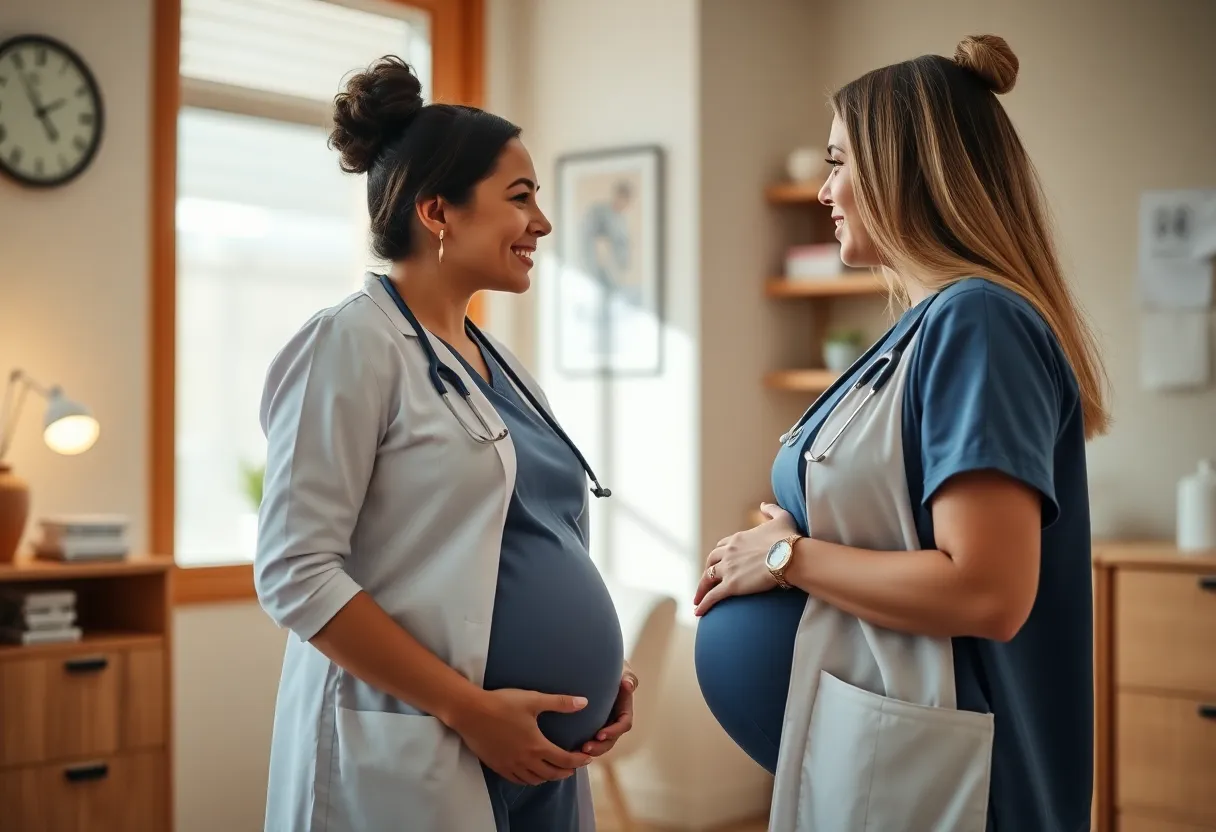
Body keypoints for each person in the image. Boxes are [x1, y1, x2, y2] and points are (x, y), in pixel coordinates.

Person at [692, 34, 1108, 832]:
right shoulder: (920, 330)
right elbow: (898, 524)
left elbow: (987, 591)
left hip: (959, 782)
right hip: (874, 758)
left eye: (838, 163)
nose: (825, 191)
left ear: (903, 171)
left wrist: (786, 557)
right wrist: (796, 530)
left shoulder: (978, 322)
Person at [254, 56, 637, 832]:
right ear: (438, 212)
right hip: (426, 744)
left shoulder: (495, 361)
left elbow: (524, 536)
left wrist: (601, 680)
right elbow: (294, 571)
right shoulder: (350, 344)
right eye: (520, 198)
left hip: (539, 756)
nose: (544, 223)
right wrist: (469, 709)